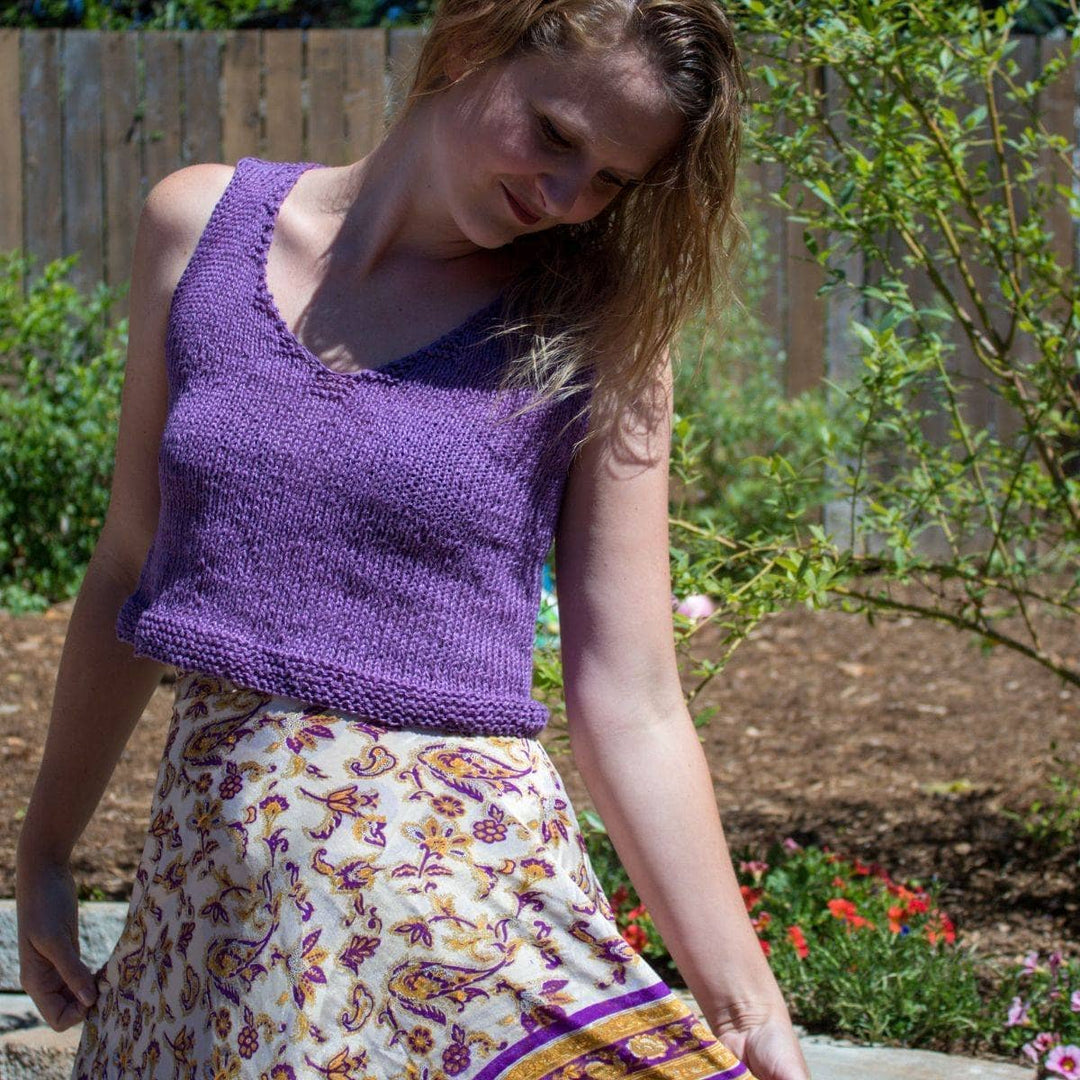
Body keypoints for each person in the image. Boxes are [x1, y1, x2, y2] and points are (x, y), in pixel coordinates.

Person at [15, 1, 812, 1078]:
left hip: (467, 927)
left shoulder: (596, 333)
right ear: (474, 39)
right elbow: (131, 563)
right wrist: (48, 847)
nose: (568, 197)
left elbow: (633, 693)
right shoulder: (199, 226)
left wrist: (744, 996)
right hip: (220, 929)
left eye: (613, 180)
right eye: (556, 136)